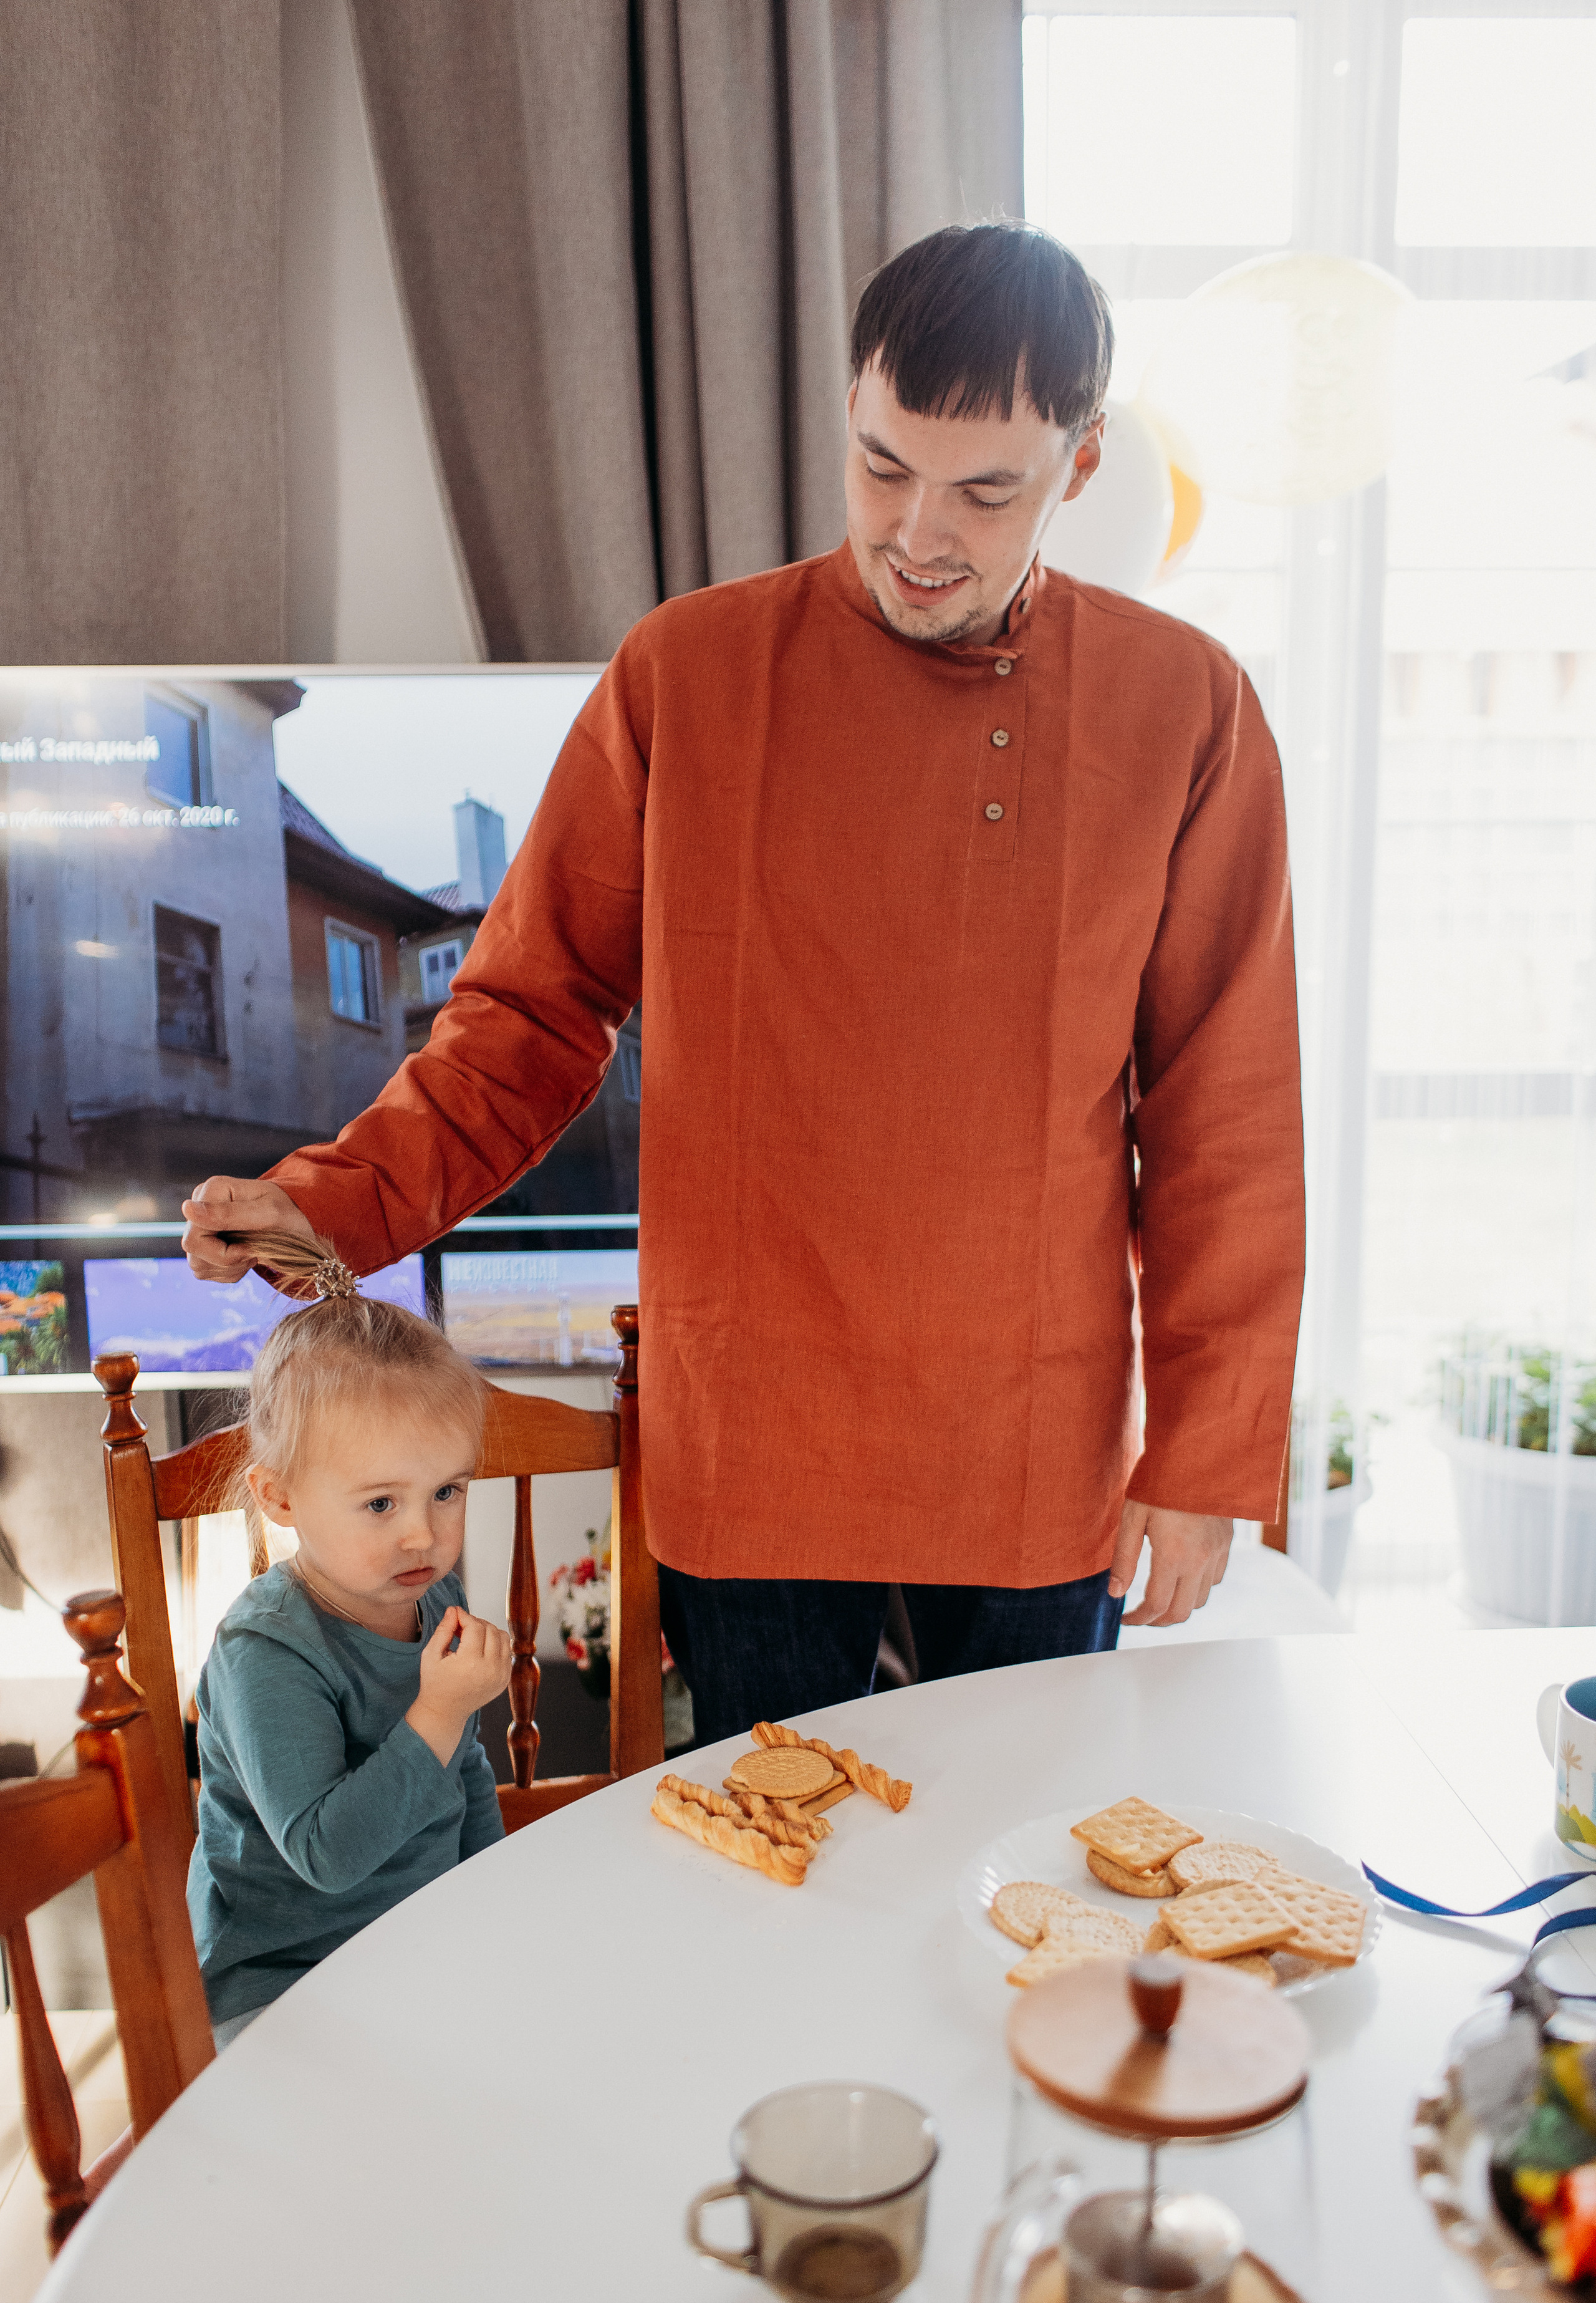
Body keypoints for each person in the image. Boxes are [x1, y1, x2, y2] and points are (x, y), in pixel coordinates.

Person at [183, 223, 1304, 1746]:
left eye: (985, 491)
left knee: (1019, 1878)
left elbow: (1223, 1114)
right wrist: (343, 1199)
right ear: (847, 408)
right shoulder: (687, 674)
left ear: (1081, 464)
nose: (918, 531)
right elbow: (528, 1012)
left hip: (1031, 1438)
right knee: (768, 1886)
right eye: (880, 465)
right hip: (758, 1427)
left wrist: (1202, 1453)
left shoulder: (1187, 708)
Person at [188, 1230, 511, 2049]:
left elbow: (464, 1766)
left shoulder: (433, 1597)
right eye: (380, 1504)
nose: (423, 1536)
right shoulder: (266, 1652)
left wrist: (495, 1896)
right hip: (288, 1985)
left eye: (446, 1491)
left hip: (426, 1945)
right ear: (280, 1497)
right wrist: (438, 1713)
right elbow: (325, 1856)